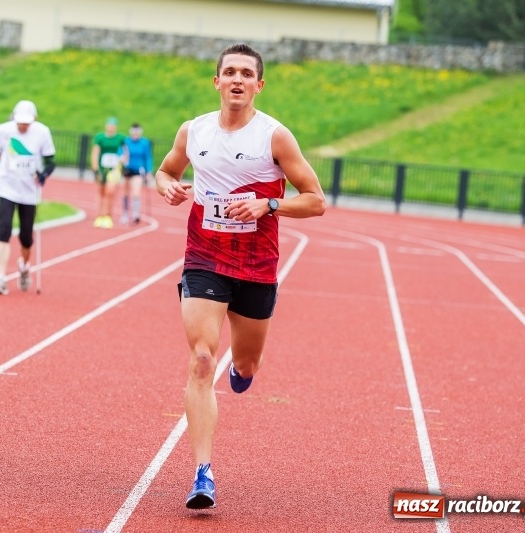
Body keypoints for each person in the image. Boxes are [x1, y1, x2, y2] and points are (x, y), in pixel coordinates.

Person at [154, 43, 326, 510]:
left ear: (258, 85)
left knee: (245, 366)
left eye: (245, 73)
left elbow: (316, 199)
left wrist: (269, 203)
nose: (236, 79)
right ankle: (203, 474)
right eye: (228, 71)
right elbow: (165, 171)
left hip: (256, 265)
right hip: (204, 257)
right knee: (201, 360)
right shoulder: (194, 130)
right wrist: (168, 187)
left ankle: (241, 368)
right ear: (216, 81)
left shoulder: (275, 137)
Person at [0, 100, 56, 295]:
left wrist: (43, 175)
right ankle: (0, 278)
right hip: (6, 186)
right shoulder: (4, 130)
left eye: (27, 123)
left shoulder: (42, 133)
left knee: (25, 236)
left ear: (34, 120)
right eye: (20, 122)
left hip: (29, 191)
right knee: (4, 229)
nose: (23, 126)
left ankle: (24, 265)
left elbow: (51, 161)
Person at [90, 117, 128, 229]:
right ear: (106, 126)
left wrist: (123, 161)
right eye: (109, 125)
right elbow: (95, 153)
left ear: (115, 127)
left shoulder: (120, 138)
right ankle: (99, 216)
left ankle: (108, 216)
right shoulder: (100, 138)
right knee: (101, 192)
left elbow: (126, 152)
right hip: (102, 169)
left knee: (110, 191)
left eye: (113, 126)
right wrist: (95, 168)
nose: (111, 128)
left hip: (114, 170)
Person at [120, 123, 153, 224]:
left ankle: (135, 214)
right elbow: (120, 153)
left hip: (137, 171)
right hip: (126, 170)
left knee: (136, 192)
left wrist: (149, 171)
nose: (135, 134)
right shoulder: (125, 142)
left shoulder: (145, 143)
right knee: (125, 193)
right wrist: (121, 159)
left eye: (137, 131)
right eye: (134, 131)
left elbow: (148, 157)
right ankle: (125, 214)